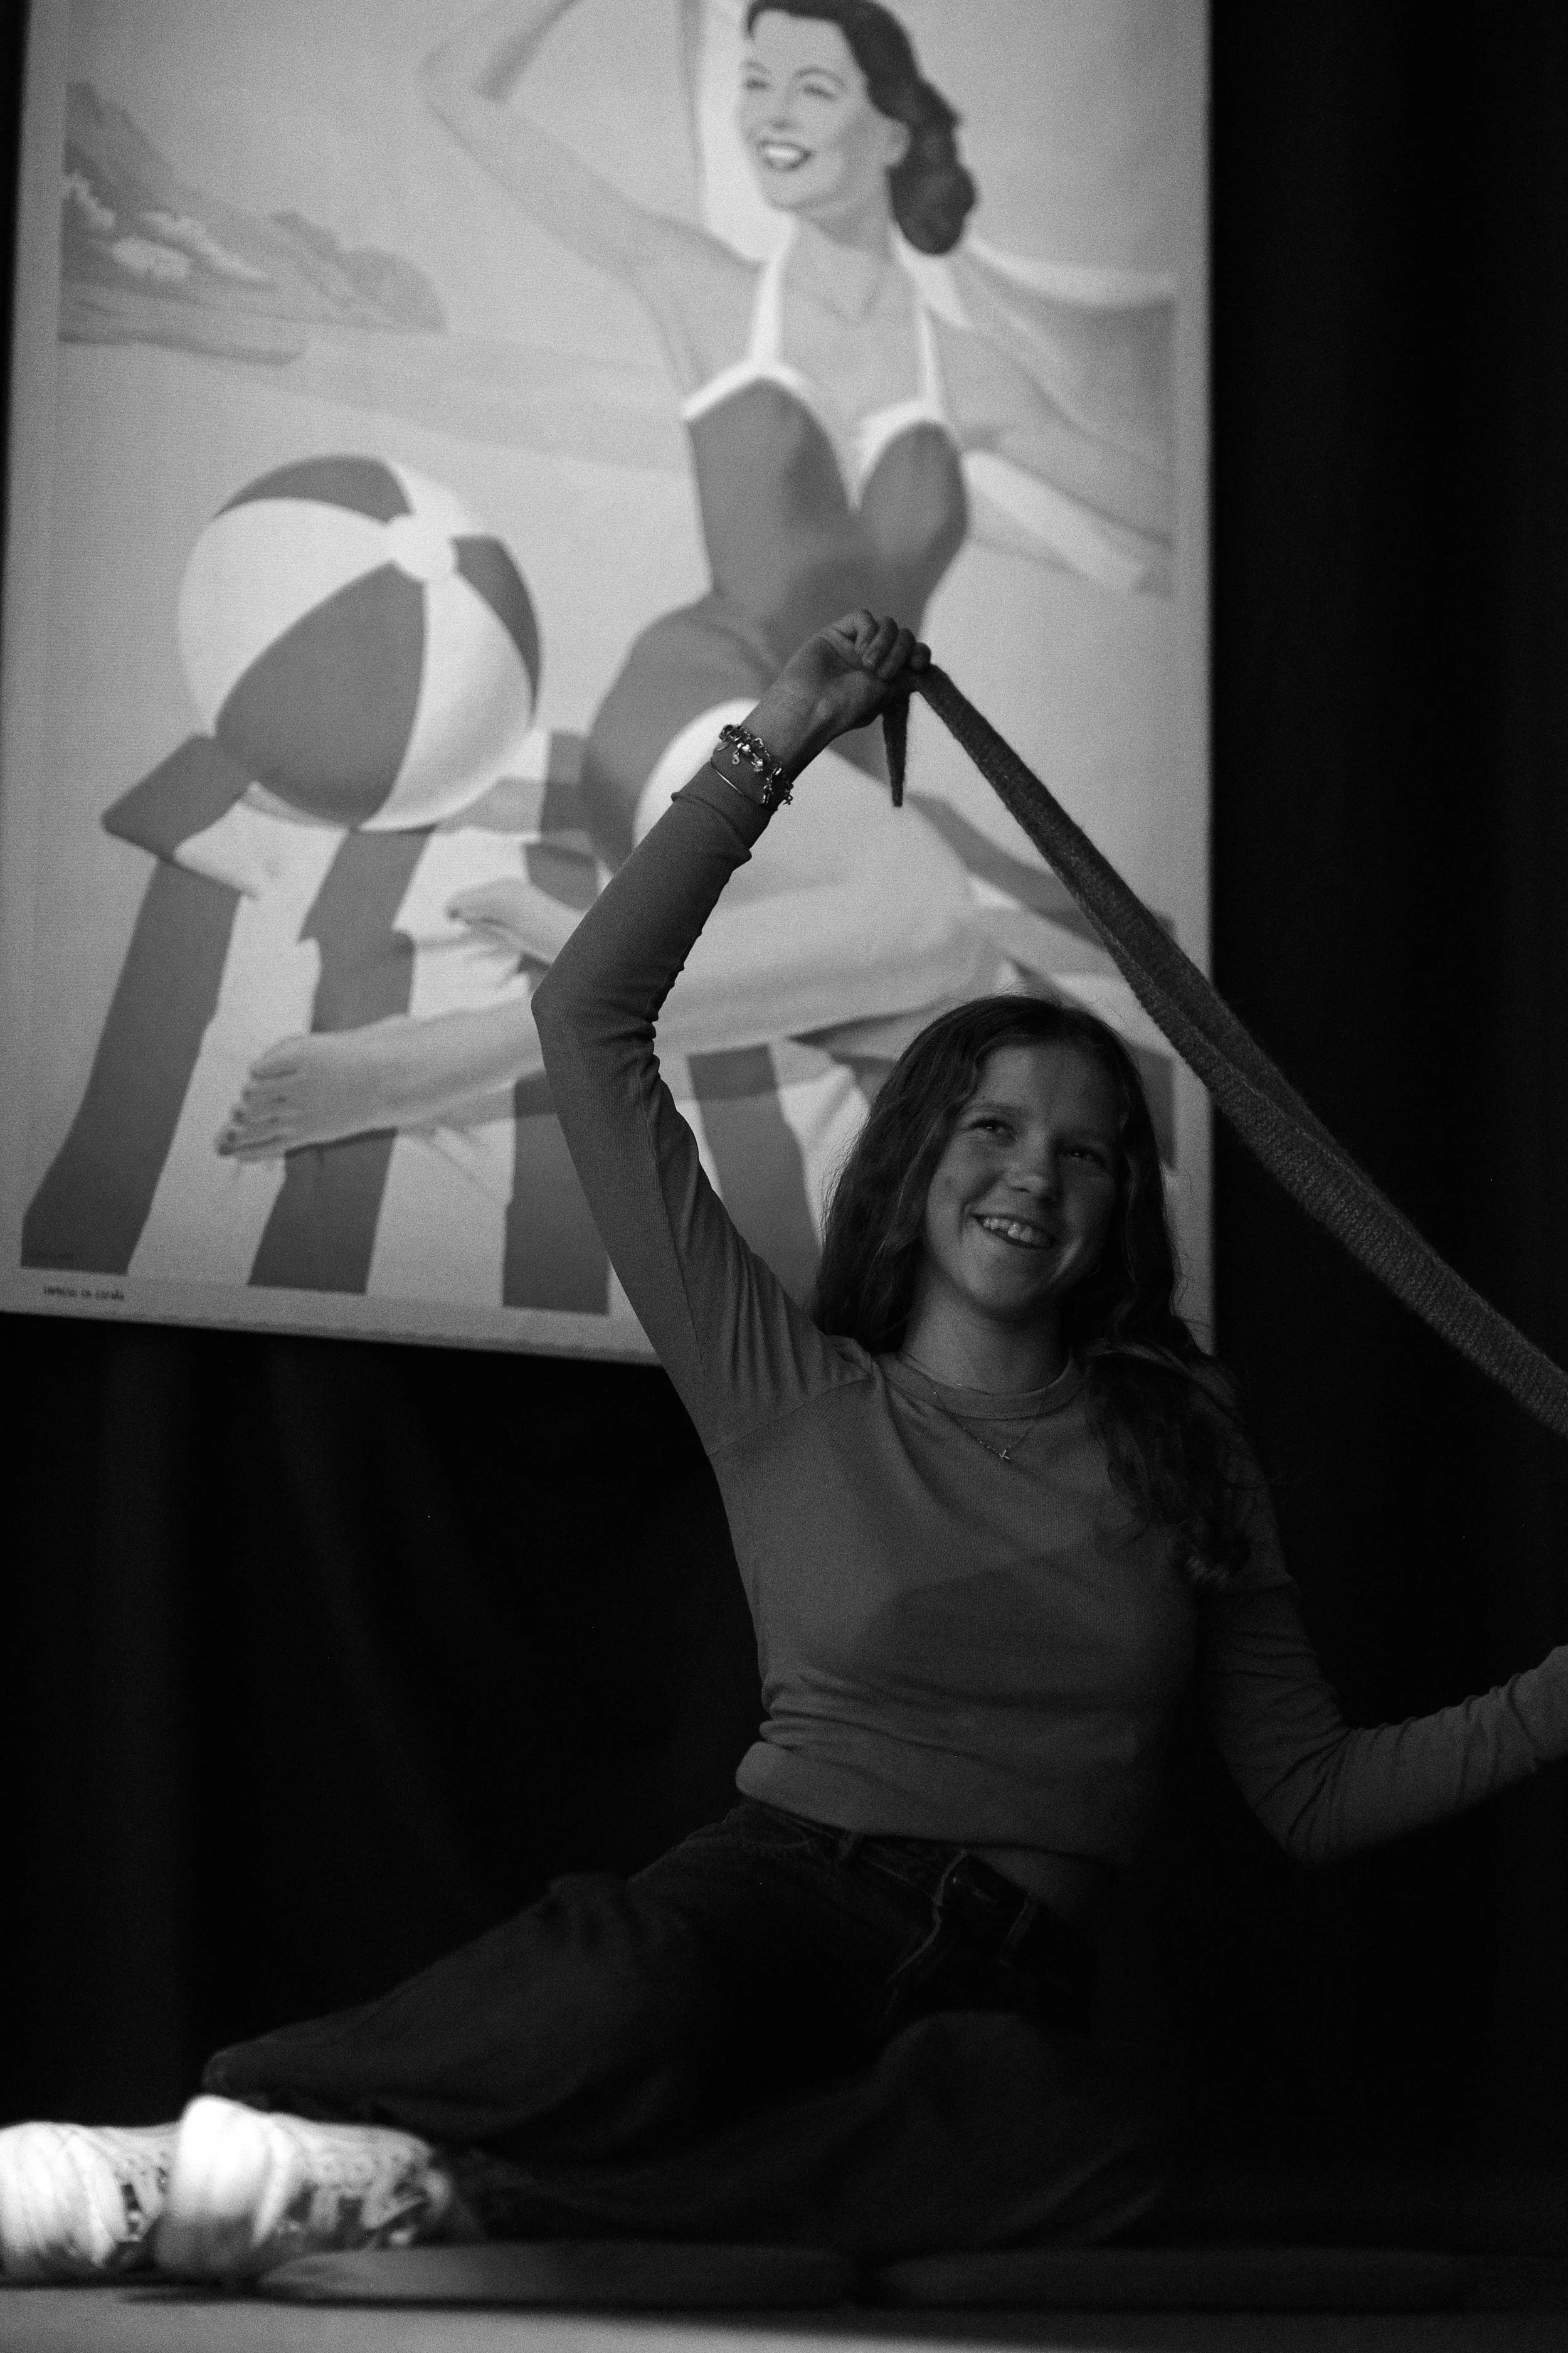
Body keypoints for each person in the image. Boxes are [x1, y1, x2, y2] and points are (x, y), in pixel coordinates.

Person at [6, 610, 1568, 2284]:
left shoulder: (1183, 1444)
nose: (1035, 1174)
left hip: (1004, 1979)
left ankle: (437, 2194)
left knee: (1076, 2141)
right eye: (992, 1125)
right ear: (917, 1155)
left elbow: (1312, 1791)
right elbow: (590, 1023)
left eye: (1088, 1152)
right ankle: (206, 2156)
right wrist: (780, 734)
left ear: (1121, 1206)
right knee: (622, 1984)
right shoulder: (785, 1380)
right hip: (769, 1908)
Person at [212, 0, 1161, 1176]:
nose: (770, 112)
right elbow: (455, 87)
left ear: (896, 131)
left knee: (953, 992)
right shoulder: (700, 286)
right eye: (755, 82)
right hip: (699, 717)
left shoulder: (968, 369)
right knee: (933, 919)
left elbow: (1169, 510)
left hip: (834, 801)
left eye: (813, 88)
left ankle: (598, 946)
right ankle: (461, 1050)